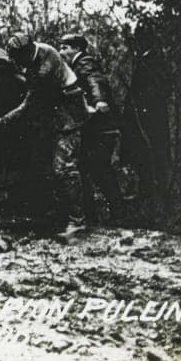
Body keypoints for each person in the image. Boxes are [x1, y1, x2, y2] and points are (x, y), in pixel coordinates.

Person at [0, 33, 78, 228]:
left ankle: (77, 220)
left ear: (25, 54)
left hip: (68, 117)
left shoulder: (43, 69)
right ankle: (54, 212)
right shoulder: (40, 50)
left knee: (62, 169)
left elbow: (29, 106)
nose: (17, 64)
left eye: (17, 60)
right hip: (51, 115)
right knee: (42, 165)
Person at [58, 33, 125, 224]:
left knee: (99, 168)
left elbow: (95, 80)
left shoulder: (84, 62)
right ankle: (95, 215)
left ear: (77, 49)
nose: (61, 52)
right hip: (93, 127)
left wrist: (99, 100)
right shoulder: (74, 66)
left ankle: (118, 214)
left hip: (102, 127)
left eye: (65, 48)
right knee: (88, 167)